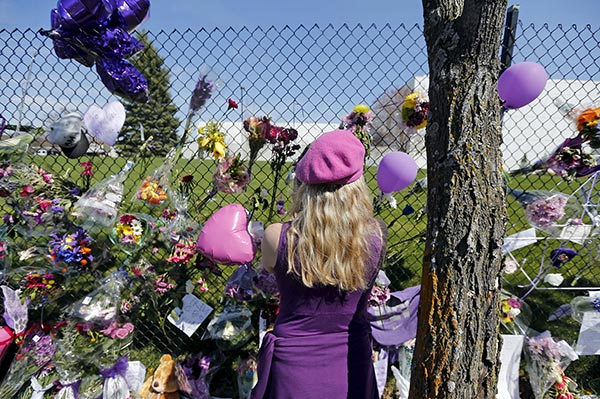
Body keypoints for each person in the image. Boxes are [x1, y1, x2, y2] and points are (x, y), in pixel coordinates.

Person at [251, 129, 387, 399]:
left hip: (293, 367)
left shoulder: (276, 236)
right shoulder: (376, 236)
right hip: (351, 364)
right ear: (358, 184)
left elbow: (267, 275)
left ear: (303, 183)